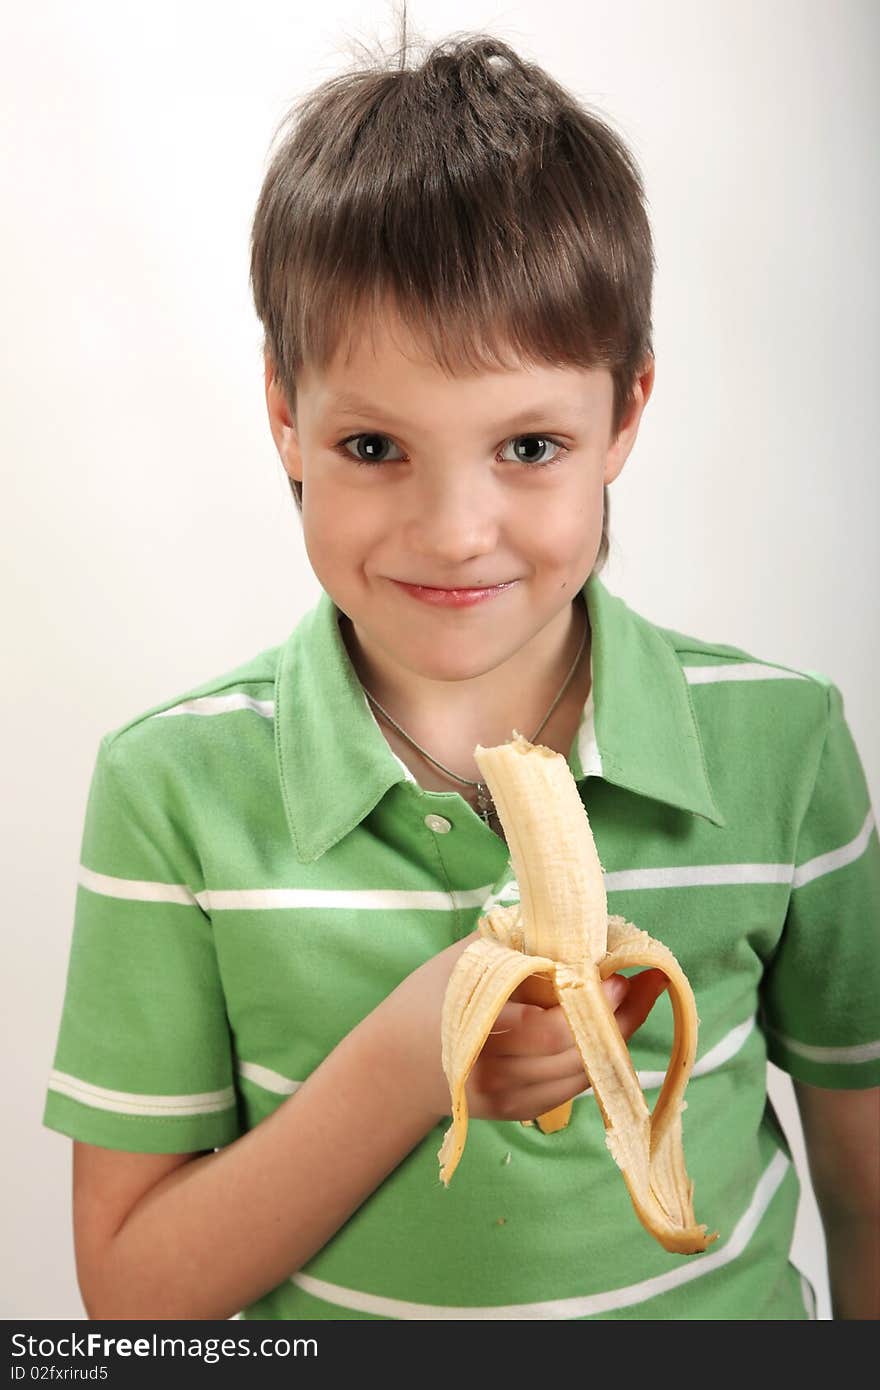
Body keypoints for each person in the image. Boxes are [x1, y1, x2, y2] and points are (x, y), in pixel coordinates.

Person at [43, 28, 879, 1321]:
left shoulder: (784, 745)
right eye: (374, 442)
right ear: (285, 418)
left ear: (629, 413)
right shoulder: (171, 787)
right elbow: (133, 1300)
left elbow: (865, 1197)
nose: (451, 528)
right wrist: (404, 1057)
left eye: (529, 444)